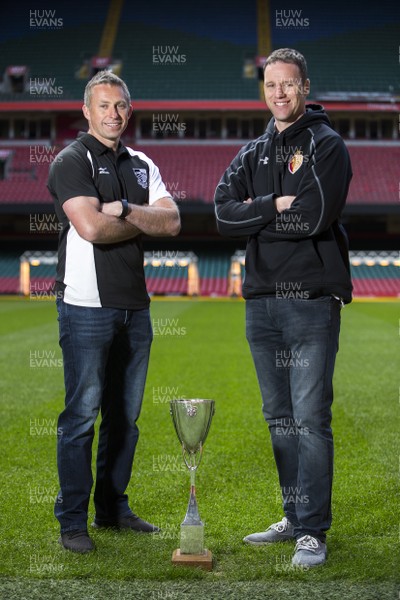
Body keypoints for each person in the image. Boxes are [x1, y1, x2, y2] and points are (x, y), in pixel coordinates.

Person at [214, 48, 352, 568]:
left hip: (311, 303)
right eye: (271, 85)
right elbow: (222, 215)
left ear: (305, 87)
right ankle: (294, 517)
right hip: (261, 304)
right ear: (263, 89)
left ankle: (313, 532)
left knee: (310, 419)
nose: (279, 93)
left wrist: (255, 216)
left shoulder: (327, 145)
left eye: (288, 85)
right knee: (279, 419)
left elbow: (314, 218)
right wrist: (272, 206)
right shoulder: (253, 152)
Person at [48, 70, 181, 553]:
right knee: (81, 416)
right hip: (85, 306)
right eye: (103, 105)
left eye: (121, 105)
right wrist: (138, 219)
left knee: (124, 417)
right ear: (86, 111)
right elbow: (90, 229)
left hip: (135, 307)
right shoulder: (71, 159)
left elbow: (172, 222)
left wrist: (123, 207)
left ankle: (111, 508)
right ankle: (72, 521)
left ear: (130, 109)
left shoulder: (143, 163)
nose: (113, 114)